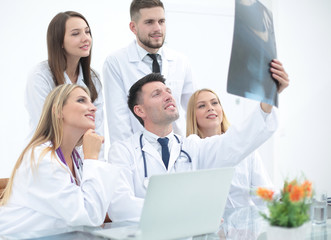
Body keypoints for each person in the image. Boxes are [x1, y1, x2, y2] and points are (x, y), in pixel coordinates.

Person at [106, 59, 289, 221]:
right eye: (157, 94)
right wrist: (188, 213)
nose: (168, 96)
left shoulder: (192, 147)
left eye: (168, 91)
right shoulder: (123, 151)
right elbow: (120, 207)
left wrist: (267, 100)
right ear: (140, 111)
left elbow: (235, 142)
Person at [0, 84, 112, 235]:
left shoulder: (75, 158)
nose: (93, 108)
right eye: (81, 100)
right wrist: (92, 158)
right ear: (58, 111)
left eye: (91, 102)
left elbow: (96, 209)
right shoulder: (42, 159)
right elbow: (90, 216)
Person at [103, 0, 195, 144]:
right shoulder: (116, 62)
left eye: (161, 21)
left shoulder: (180, 61)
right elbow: (118, 121)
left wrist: (193, 148)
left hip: (177, 149)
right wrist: (127, 160)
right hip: (138, 153)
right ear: (133, 27)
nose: (157, 28)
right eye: (149, 22)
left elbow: (194, 110)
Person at [25, 11, 104, 157]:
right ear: (59, 41)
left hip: (80, 160)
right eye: (76, 34)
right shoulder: (40, 76)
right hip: (48, 156)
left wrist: (96, 166)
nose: (85, 38)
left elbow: (97, 131)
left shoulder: (93, 78)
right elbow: (46, 128)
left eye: (87, 32)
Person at [186, 88, 273, 208]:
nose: (210, 108)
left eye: (215, 103)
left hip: (246, 223)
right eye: (201, 106)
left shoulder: (246, 148)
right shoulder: (193, 149)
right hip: (213, 224)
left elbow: (263, 192)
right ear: (193, 115)